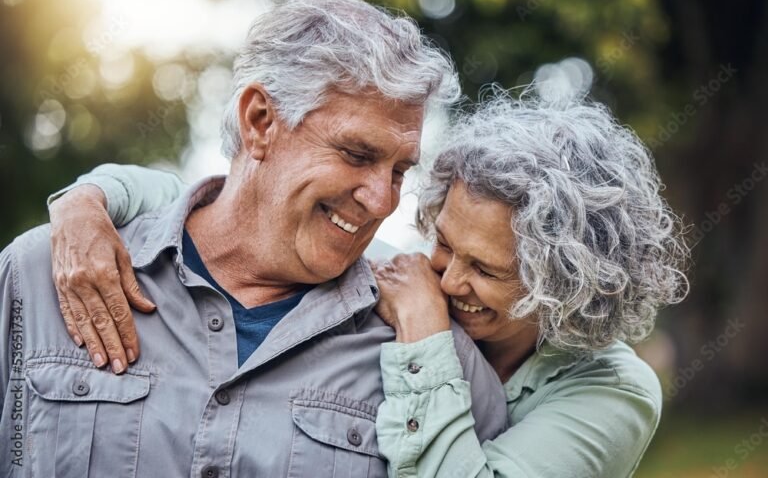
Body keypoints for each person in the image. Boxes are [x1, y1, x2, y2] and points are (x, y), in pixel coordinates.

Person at [45, 83, 689, 477]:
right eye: (444, 242)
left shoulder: (615, 391)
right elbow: (227, 205)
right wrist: (89, 197)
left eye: (486, 270)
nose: (449, 277)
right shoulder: (414, 277)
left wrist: (428, 342)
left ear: (566, 289)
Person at [0, 0, 509, 478]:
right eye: (356, 155)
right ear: (259, 121)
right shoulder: (39, 276)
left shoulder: (433, 352)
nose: (382, 201)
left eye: (399, 171)